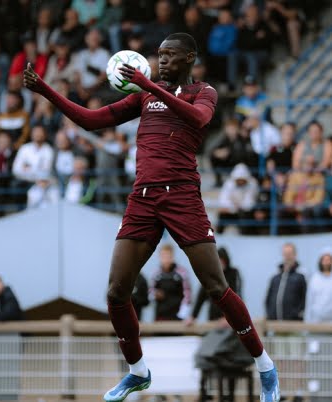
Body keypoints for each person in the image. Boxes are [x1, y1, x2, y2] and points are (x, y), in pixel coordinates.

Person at [23, 31, 280, 401]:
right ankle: (137, 371)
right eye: (159, 54)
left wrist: (148, 85)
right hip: (143, 199)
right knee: (115, 291)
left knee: (215, 285)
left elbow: (198, 118)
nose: (161, 61)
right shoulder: (144, 95)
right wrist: (45, 90)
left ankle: (265, 366)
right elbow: (91, 120)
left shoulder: (202, 93)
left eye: (170, 55)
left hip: (183, 198)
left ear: (189, 58)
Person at [185, 247, 242, 326]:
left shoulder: (233, 273)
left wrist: (229, 317)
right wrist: (193, 316)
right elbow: (200, 298)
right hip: (213, 318)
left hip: (230, 320)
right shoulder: (208, 275)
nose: (220, 264)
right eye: (218, 261)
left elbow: (236, 296)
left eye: (222, 261)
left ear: (226, 261)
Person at [149, 244, 192, 321]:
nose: (165, 259)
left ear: (172, 257)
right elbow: (150, 292)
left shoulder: (182, 273)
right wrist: (155, 294)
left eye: (168, 256)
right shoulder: (156, 274)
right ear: (160, 257)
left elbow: (187, 294)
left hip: (177, 316)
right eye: (163, 256)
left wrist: (182, 314)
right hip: (160, 315)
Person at [265, 243, 306, 321]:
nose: (287, 256)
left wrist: (297, 313)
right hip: (275, 322)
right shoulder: (275, 278)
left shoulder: (301, 277)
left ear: (295, 254)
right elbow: (268, 298)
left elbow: (304, 298)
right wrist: (270, 313)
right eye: (285, 253)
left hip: (293, 323)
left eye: (290, 253)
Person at [216, 163, 258, 234]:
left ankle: (244, 236)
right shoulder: (228, 183)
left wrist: (235, 207)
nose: (240, 181)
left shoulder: (252, 184)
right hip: (232, 211)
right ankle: (218, 236)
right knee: (222, 214)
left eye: (242, 179)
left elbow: (249, 204)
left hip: (244, 213)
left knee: (245, 216)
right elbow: (223, 200)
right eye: (239, 179)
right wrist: (234, 207)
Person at [305, 248, 332, 324]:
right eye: (324, 260)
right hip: (316, 322)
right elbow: (309, 301)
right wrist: (307, 321)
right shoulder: (314, 279)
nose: (326, 262)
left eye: (329, 260)